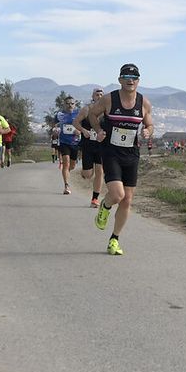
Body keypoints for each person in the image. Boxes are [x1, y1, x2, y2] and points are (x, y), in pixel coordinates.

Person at [76, 64, 153, 255]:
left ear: (138, 81)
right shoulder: (109, 99)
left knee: (127, 200)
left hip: (131, 154)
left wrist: (147, 131)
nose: (130, 80)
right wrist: (98, 130)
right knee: (118, 195)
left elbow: (150, 124)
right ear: (120, 80)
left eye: (134, 77)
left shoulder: (144, 103)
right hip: (111, 152)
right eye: (126, 76)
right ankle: (106, 204)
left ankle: (114, 239)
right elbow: (93, 114)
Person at [77, 86, 106, 206]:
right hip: (88, 145)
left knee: (100, 171)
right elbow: (75, 122)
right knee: (88, 175)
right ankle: (84, 173)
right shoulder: (86, 109)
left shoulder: (106, 111)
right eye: (97, 94)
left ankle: (95, 199)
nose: (99, 96)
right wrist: (83, 130)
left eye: (101, 95)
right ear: (92, 96)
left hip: (101, 145)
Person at [54, 97, 82, 194]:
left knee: (72, 165)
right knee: (66, 162)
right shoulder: (59, 115)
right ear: (64, 104)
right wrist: (55, 131)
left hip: (75, 142)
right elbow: (55, 126)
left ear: (75, 104)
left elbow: (83, 126)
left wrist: (79, 131)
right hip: (63, 142)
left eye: (72, 103)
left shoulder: (79, 114)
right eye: (67, 103)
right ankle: (66, 185)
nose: (70, 105)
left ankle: (66, 173)